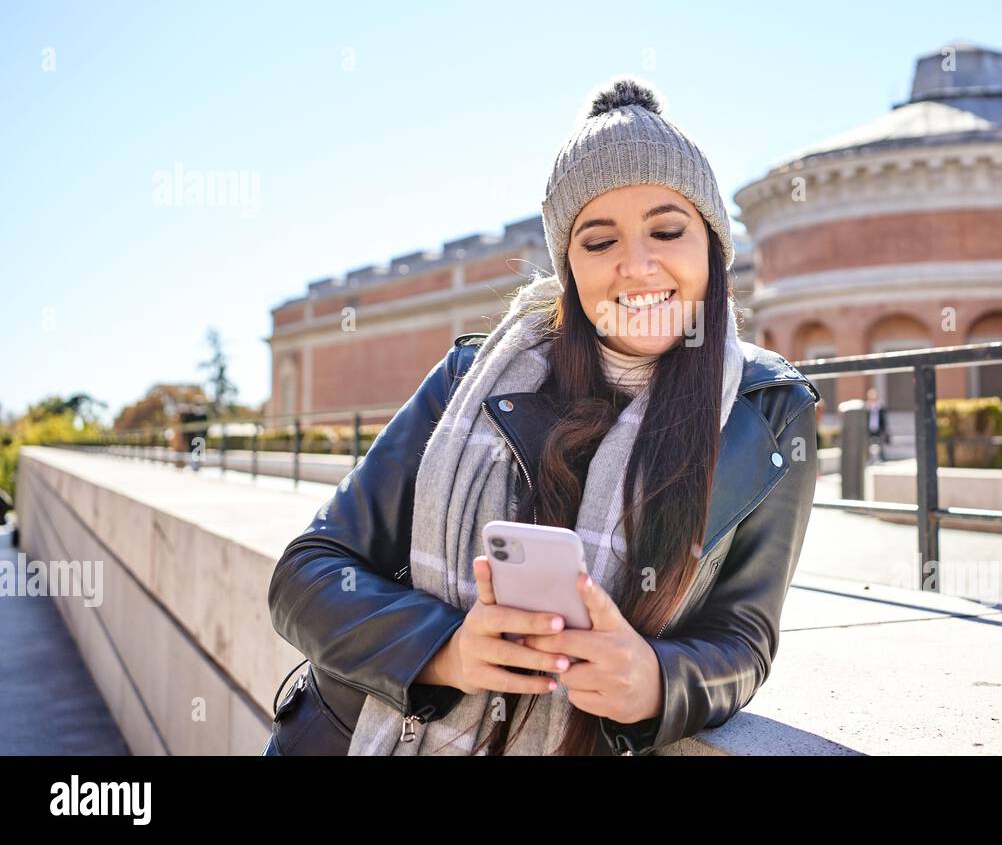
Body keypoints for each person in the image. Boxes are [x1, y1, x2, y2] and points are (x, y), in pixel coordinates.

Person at [266, 75, 820, 756]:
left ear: (711, 246)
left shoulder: (767, 413)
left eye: (667, 230)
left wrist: (655, 680)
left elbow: (743, 639)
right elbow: (308, 573)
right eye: (598, 242)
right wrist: (444, 651)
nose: (636, 267)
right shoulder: (471, 378)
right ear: (569, 268)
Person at [865, 387, 889, 463]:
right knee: (867, 444)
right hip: (869, 429)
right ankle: (868, 459)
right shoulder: (866, 407)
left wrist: (884, 429)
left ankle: (881, 459)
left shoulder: (880, 407)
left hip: (878, 428)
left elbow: (883, 419)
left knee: (880, 444)